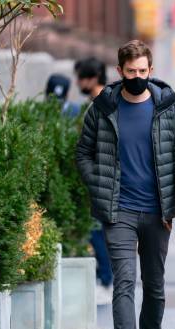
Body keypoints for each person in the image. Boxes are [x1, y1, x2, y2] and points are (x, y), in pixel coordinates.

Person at [76, 40, 175, 329]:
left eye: (143, 71)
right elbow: (83, 153)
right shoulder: (103, 108)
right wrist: (97, 181)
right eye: (131, 72)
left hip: (158, 211)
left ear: (151, 71)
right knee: (124, 282)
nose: (137, 77)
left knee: (155, 285)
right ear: (119, 72)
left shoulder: (168, 107)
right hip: (119, 210)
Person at [73, 57, 112, 304]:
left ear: (91, 78)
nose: (77, 83)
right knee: (97, 231)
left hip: (103, 181)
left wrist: (94, 176)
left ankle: (106, 281)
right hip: (100, 179)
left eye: (80, 78)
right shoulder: (98, 103)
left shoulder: (102, 105)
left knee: (98, 231)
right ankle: (105, 280)